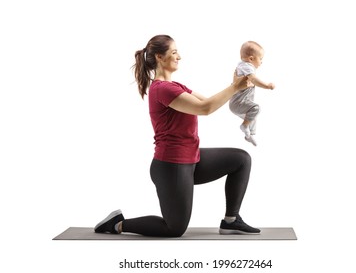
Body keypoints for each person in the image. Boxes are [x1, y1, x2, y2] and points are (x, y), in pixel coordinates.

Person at [94, 35, 260, 237]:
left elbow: (209, 101)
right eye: (174, 52)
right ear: (160, 57)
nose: (179, 56)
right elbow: (204, 108)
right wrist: (235, 87)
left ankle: (231, 221)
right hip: (171, 166)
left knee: (241, 159)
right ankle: (117, 224)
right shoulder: (162, 89)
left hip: (192, 159)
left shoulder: (177, 87)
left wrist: (237, 89)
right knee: (174, 228)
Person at [229, 41, 275, 146]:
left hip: (239, 103)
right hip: (238, 103)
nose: (261, 62)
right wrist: (267, 86)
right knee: (256, 108)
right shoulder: (247, 67)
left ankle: (248, 135)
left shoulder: (242, 66)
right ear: (251, 59)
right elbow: (254, 80)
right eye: (261, 59)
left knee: (253, 116)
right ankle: (244, 126)